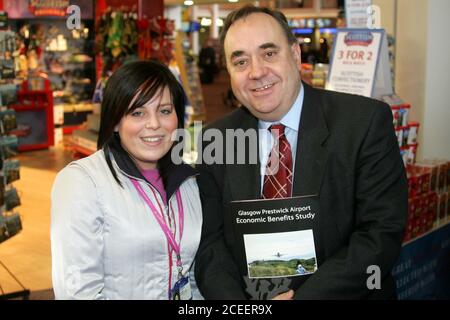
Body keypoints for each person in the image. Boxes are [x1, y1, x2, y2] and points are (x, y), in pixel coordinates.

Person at [194, 5, 407, 300]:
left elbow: (380, 233)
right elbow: (210, 245)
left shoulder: (363, 123)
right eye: (240, 61)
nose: (256, 72)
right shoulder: (216, 140)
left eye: (269, 53)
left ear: (295, 54)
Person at [51, 60, 203, 300]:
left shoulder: (188, 181)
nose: (154, 124)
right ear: (115, 121)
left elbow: (194, 278)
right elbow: (78, 293)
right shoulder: (82, 182)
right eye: (138, 112)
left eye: (164, 111)